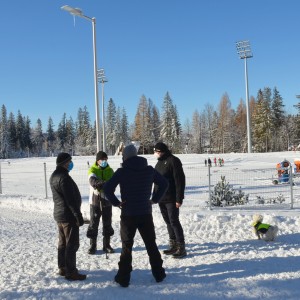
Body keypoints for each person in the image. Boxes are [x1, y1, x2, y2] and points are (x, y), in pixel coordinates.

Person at [104, 144, 169, 287]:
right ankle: (159, 274)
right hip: (145, 213)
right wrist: (155, 199)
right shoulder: (149, 170)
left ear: (125, 156)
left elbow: (107, 189)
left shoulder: (121, 172)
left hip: (128, 214)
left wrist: (117, 203)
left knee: (127, 246)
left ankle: (123, 277)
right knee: (151, 244)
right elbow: (164, 183)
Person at [49, 152, 87, 281]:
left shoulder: (54, 175)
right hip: (68, 216)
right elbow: (70, 200)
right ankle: (71, 272)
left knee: (63, 243)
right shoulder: (63, 177)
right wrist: (78, 215)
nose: (71, 163)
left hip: (60, 215)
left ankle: (63, 267)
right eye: (70, 161)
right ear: (65, 163)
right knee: (71, 244)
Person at [153, 142, 187, 258]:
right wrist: (154, 197)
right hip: (161, 198)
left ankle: (181, 247)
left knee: (174, 221)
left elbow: (179, 181)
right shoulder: (159, 163)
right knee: (168, 222)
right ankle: (173, 245)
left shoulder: (173, 161)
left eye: (157, 151)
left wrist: (179, 198)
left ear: (162, 151)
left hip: (171, 198)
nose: (156, 154)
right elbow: (156, 181)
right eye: (155, 152)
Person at [86, 151, 115, 255]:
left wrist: (106, 184)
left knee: (107, 223)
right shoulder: (92, 169)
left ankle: (106, 245)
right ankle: (92, 245)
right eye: (102, 160)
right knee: (94, 223)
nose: (104, 161)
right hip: (95, 201)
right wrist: (97, 183)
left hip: (107, 200)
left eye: (105, 159)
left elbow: (113, 182)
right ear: (97, 161)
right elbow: (92, 179)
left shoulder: (110, 170)